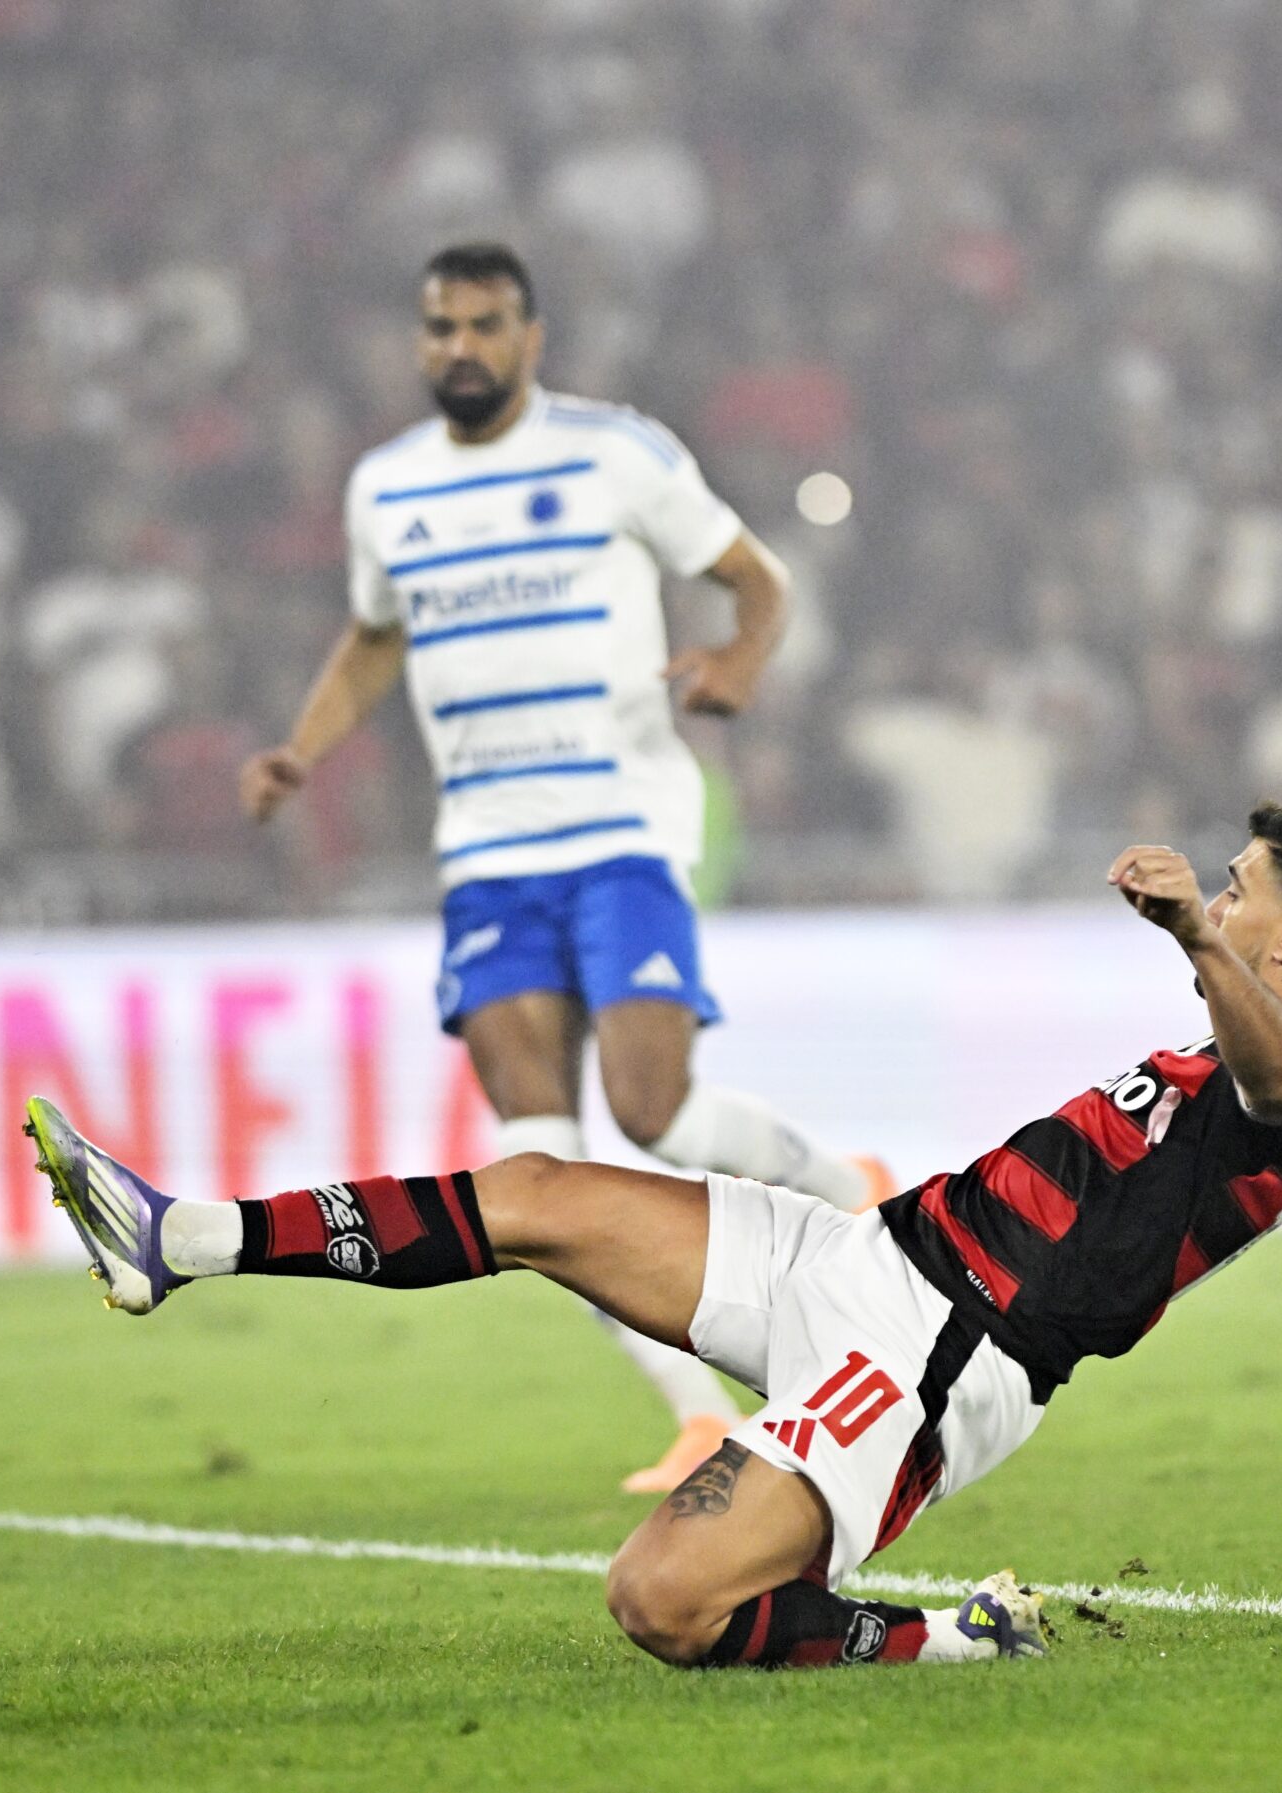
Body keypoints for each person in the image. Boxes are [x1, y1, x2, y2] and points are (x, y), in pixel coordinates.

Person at [26, 803, 1282, 1670]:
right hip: (862, 1257)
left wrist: (1184, 932)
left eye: (1243, 892)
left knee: (662, 1598)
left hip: (935, 1362)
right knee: (545, 1191)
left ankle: (954, 1647)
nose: (1221, 897)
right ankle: (179, 1236)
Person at [237, 242, 888, 1492]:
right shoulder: (385, 488)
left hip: (622, 832)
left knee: (656, 1114)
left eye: (484, 325)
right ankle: (695, 1411)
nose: (459, 348)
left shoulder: (617, 451)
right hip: (487, 858)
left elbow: (757, 577)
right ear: (418, 340)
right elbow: (375, 637)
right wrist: (301, 750)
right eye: (439, 327)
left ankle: (845, 1189)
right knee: (535, 1166)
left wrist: (741, 663)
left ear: (531, 337)